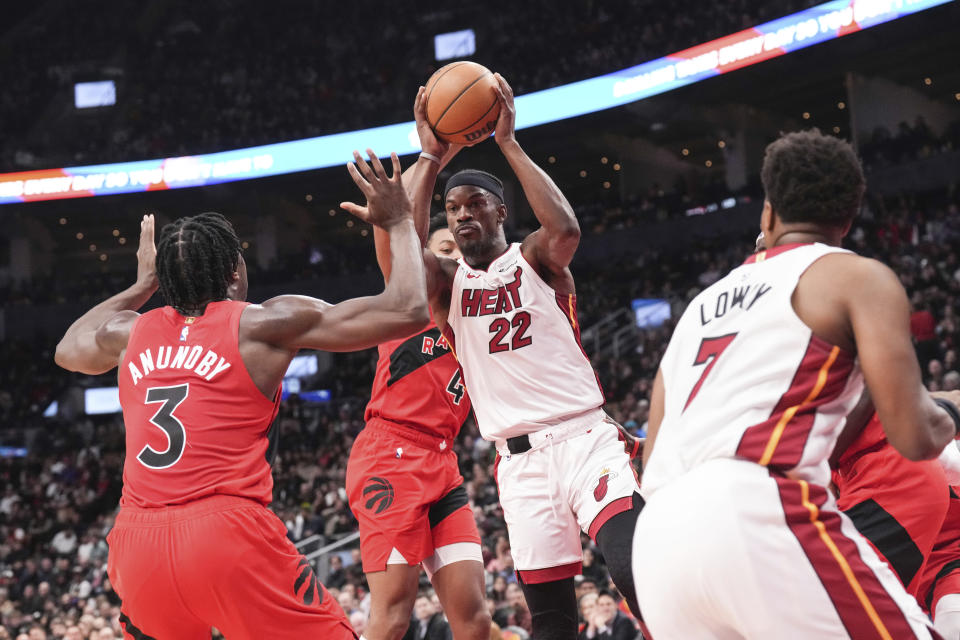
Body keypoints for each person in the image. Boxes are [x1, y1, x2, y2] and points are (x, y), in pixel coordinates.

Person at [53, 150, 430, 640]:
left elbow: (66, 349)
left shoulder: (127, 332)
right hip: (226, 532)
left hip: (134, 541)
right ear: (233, 270)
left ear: (165, 279)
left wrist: (140, 285)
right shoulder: (264, 323)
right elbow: (408, 310)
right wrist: (400, 220)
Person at [634, 128, 960, 638]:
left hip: (657, 543)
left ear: (767, 212)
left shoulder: (697, 309)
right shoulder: (854, 277)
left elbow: (652, 455)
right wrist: (948, 415)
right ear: (850, 217)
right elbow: (914, 435)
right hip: (750, 508)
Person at [411, 73, 643, 639]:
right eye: (452, 208)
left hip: (586, 439)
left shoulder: (535, 258)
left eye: (475, 204)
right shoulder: (445, 283)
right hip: (519, 464)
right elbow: (404, 250)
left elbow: (564, 227)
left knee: (630, 564)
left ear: (499, 212)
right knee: (552, 622)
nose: (461, 215)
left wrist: (508, 143)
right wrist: (429, 159)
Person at [342, 89, 490, 640]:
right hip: (391, 452)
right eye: (440, 246)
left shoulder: (484, 316)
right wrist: (432, 156)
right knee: (394, 612)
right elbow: (399, 228)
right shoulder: (414, 297)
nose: (449, 255)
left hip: (442, 462)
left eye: (457, 248)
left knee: (474, 618)